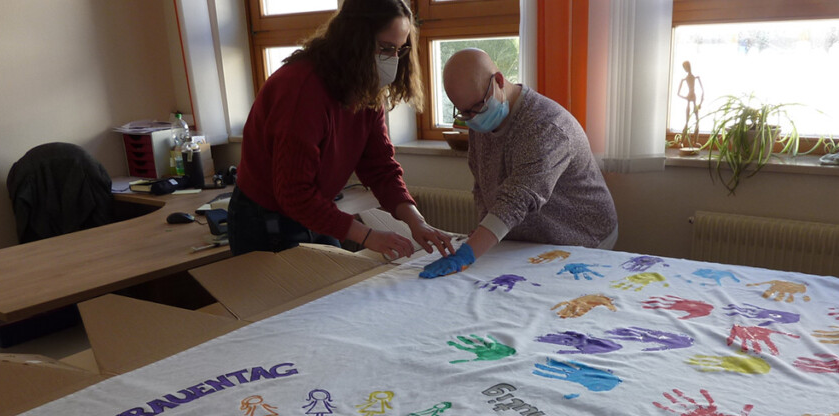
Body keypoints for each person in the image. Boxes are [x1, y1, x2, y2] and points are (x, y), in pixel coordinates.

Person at [227, 0, 453, 261]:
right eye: (385, 48)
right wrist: (369, 236)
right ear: (355, 40)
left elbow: (380, 167)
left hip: (312, 208)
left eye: (399, 50)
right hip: (265, 217)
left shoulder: (365, 88)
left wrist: (416, 221)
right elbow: (293, 194)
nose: (392, 59)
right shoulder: (301, 90)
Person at [421, 48, 618, 278]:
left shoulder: (546, 126)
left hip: (582, 235)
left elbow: (517, 200)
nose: (472, 118)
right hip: (532, 236)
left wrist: (468, 253)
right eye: (464, 112)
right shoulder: (481, 118)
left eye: (476, 108)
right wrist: (484, 228)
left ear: (499, 81)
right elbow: (482, 182)